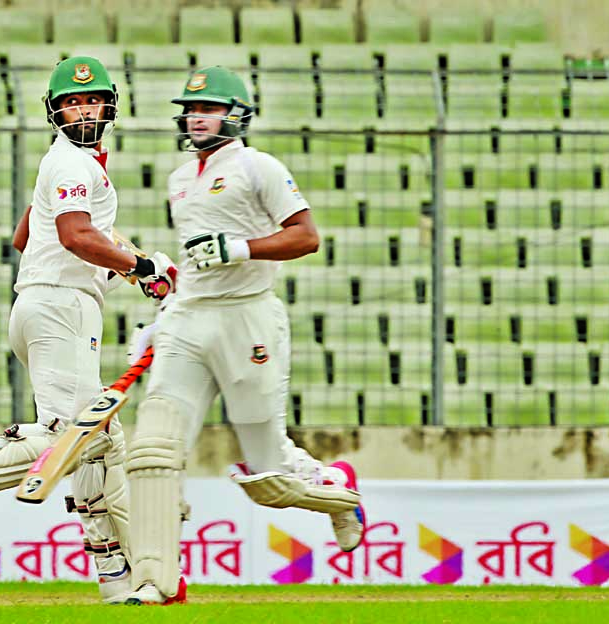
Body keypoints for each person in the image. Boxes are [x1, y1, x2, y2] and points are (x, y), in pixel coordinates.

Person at [0, 56, 174, 604]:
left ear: (108, 107)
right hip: (61, 309)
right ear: (56, 111)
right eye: (72, 102)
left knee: (100, 441)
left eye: (91, 100)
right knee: (70, 435)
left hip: (43, 304)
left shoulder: (67, 164)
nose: (83, 109)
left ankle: (114, 574)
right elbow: (77, 237)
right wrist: (139, 266)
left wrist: (132, 264)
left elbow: (27, 236)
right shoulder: (73, 165)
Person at [123, 67, 367, 605]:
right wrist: (164, 317)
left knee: (268, 476)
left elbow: (306, 237)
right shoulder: (179, 179)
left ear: (235, 113)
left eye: (207, 108)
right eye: (190, 109)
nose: (195, 117)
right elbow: (196, 261)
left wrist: (241, 248)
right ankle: (158, 579)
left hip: (249, 316)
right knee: (155, 449)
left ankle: (337, 491)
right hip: (191, 319)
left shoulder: (260, 167)